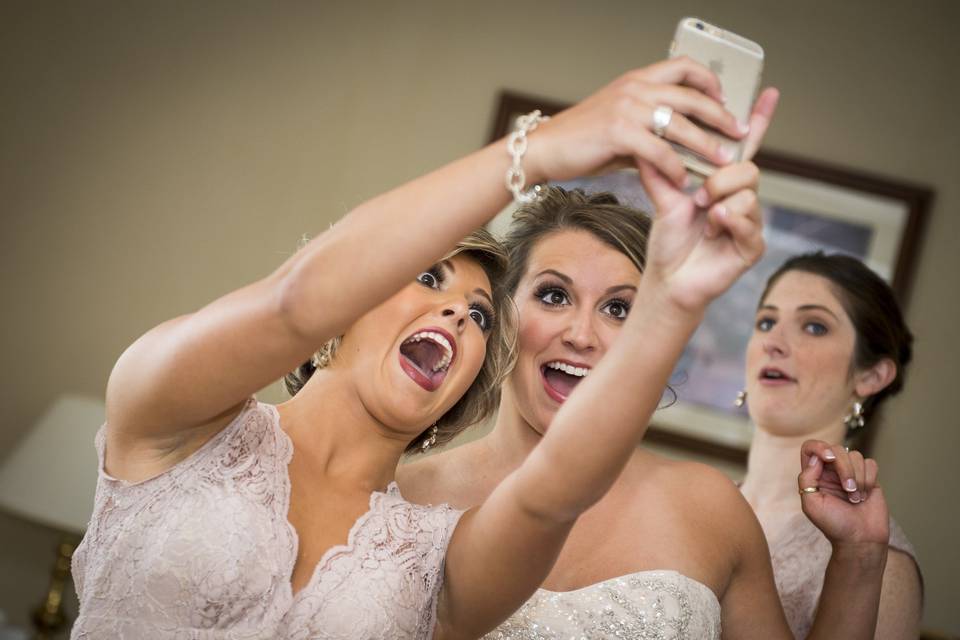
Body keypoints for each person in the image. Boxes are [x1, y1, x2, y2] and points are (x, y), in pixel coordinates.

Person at [72, 57, 768, 639]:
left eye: (480, 316)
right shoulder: (175, 421)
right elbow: (293, 300)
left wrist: (674, 301)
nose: (456, 314)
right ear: (350, 301)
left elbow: (554, 492)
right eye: (429, 277)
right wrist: (545, 149)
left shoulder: (440, 557)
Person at [398, 92, 893, 640]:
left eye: (618, 309)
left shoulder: (711, 509)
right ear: (502, 312)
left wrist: (860, 558)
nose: (581, 335)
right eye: (554, 296)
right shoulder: (405, 496)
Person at [739, 252, 923, 639]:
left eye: (815, 327)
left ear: (870, 375)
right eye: (767, 322)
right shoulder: (701, 501)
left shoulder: (883, 568)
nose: (773, 341)